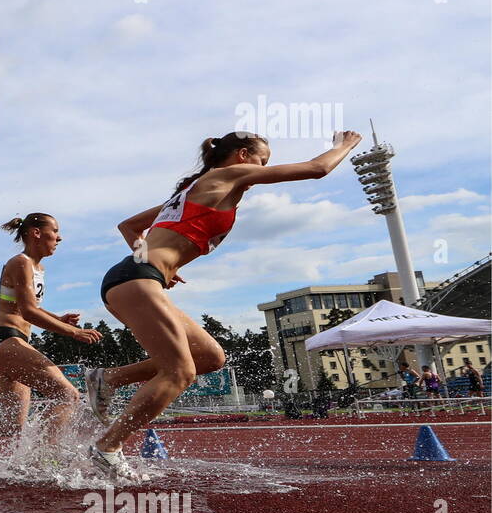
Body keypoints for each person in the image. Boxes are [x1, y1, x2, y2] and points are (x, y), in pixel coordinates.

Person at [84, 130, 363, 470]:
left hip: (140, 280)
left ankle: (110, 378)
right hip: (135, 280)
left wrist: (156, 264)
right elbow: (317, 169)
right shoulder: (227, 175)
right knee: (180, 372)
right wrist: (344, 145)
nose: (263, 171)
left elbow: (130, 226)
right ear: (243, 156)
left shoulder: (196, 190)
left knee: (209, 357)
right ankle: (107, 447)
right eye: (263, 162)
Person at [0, 213, 104, 456]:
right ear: (36, 233)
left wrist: (58, 319)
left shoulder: (38, 267)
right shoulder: (21, 262)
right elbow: (28, 312)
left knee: (10, 425)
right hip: (6, 339)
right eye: (55, 231)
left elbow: (27, 305)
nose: (60, 237)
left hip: (8, 344)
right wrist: (73, 332)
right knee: (68, 395)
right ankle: (45, 458)